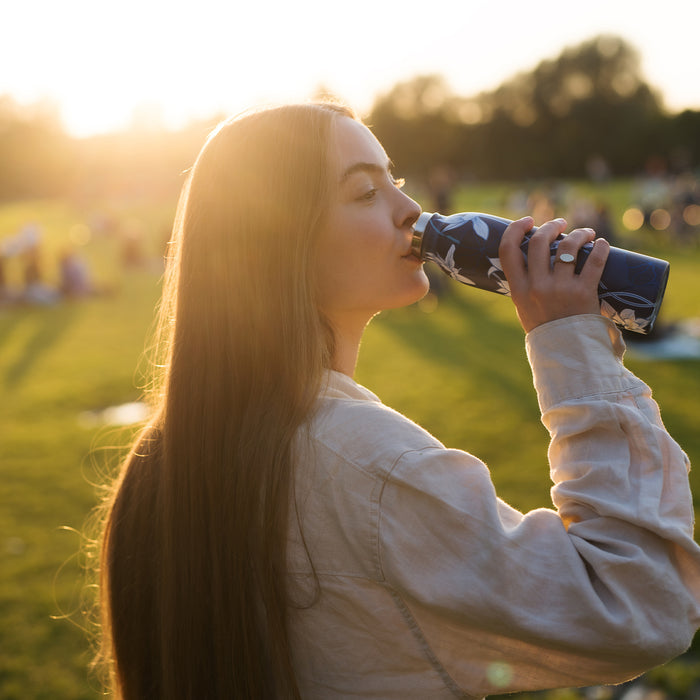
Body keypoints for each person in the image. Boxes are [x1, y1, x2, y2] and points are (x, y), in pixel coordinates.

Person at [94, 101, 700, 699]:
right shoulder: (368, 464)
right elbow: (641, 604)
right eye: (365, 193)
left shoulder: (159, 462)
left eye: (397, 181)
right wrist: (573, 349)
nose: (411, 209)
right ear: (275, 242)